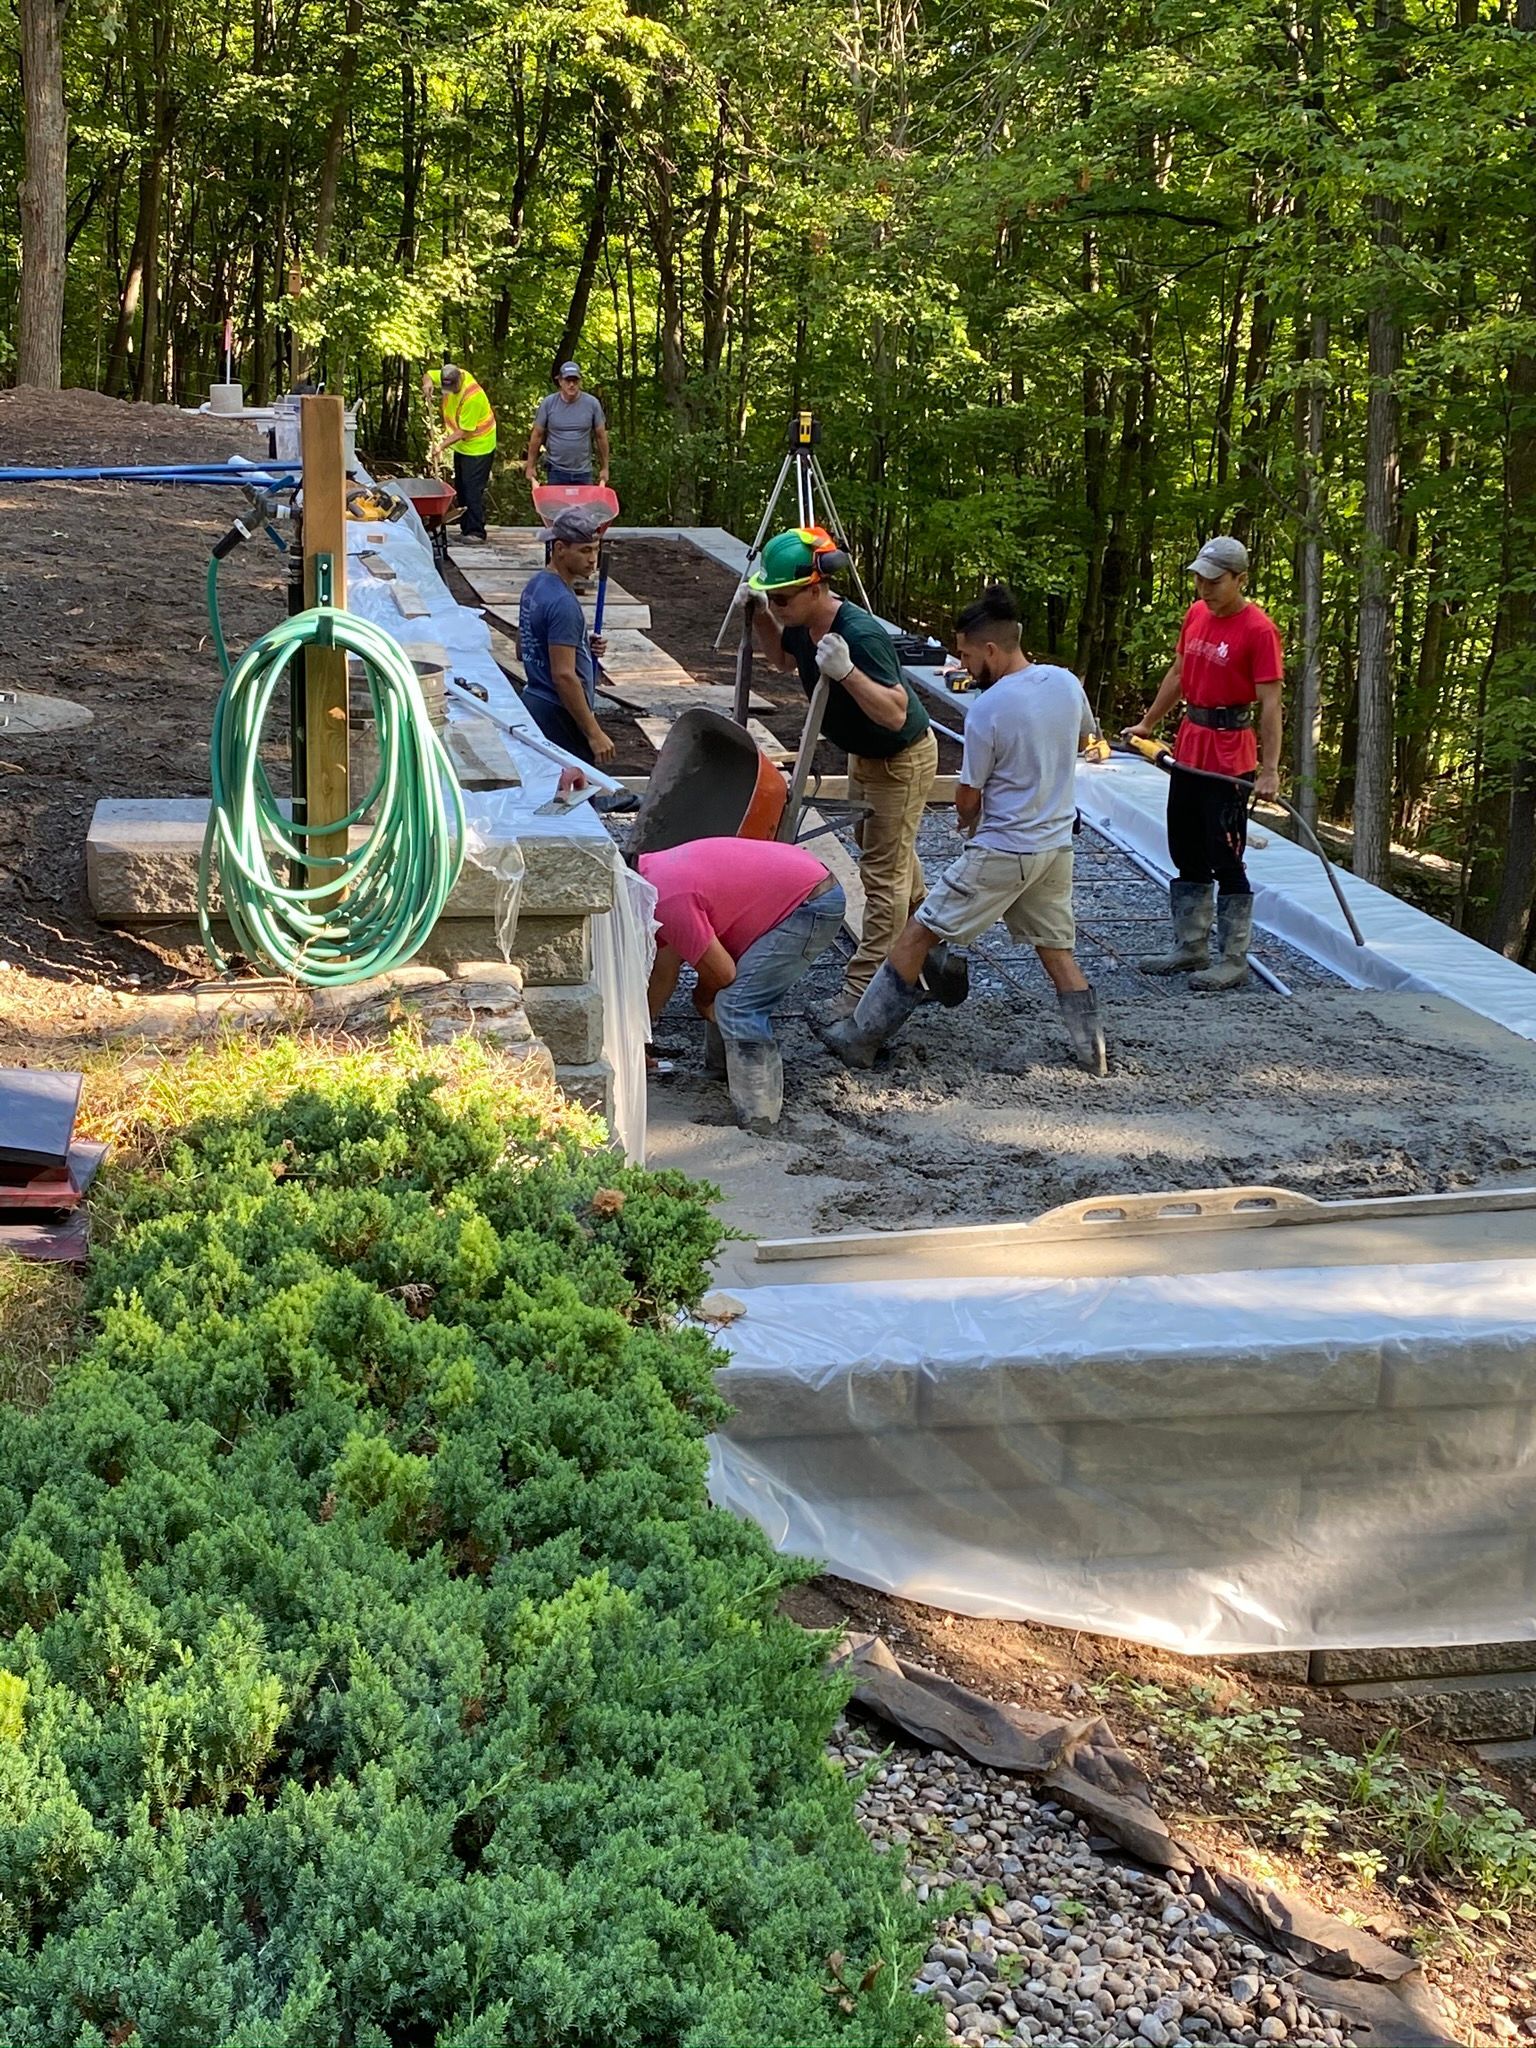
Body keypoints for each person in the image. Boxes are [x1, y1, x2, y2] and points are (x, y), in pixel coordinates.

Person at [826, 585, 1107, 1076]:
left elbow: (968, 795)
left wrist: (965, 820)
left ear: (992, 650)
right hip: (1055, 847)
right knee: (1057, 952)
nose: (961, 665)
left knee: (915, 935)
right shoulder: (1065, 683)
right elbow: (1085, 737)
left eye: (965, 654)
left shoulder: (990, 709)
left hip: (1004, 850)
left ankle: (859, 1038)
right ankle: (1094, 1052)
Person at [745, 526, 948, 1020]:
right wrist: (759, 618)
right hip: (864, 756)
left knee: (882, 878)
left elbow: (896, 712)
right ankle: (932, 939)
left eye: (784, 599)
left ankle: (863, 994)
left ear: (817, 587)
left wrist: (848, 672)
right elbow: (781, 659)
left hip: (899, 759)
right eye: (771, 598)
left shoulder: (860, 634)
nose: (779, 607)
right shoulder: (795, 615)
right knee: (891, 854)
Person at [1124, 535, 1284, 992]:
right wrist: (1148, 723)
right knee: (1186, 845)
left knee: (1225, 853)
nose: (1204, 588)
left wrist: (1269, 769)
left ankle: (1233, 957)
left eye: (1214, 580)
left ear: (1240, 579)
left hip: (1231, 753)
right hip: (1191, 745)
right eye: (1199, 578)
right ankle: (1191, 945)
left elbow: (1271, 704)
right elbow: (1179, 673)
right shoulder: (1196, 615)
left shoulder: (1258, 630)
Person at [639, 836, 846, 1133]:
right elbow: (664, 970)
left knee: (738, 1003)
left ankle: (759, 1118)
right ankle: (720, 1074)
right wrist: (639, 1041)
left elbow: (723, 973)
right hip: (796, 885)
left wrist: (702, 996)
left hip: (810, 903)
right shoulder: (651, 873)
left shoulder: (668, 902)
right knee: (722, 990)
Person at [517, 504, 614, 764]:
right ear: (559, 549)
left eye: (595, 549)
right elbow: (563, 676)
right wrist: (594, 733)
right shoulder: (563, 602)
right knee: (575, 797)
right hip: (559, 713)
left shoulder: (535, 586)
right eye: (584, 551)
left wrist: (580, 643)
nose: (593, 559)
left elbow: (524, 645)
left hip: (534, 702)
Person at [421, 363, 496, 543]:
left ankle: (476, 532)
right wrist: (427, 384)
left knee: (472, 489)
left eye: (452, 388)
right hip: (462, 447)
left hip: (479, 446)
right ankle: (465, 528)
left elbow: (464, 431)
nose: (450, 392)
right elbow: (428, 375)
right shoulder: (448, 374)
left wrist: (440, 446)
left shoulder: (473, 397)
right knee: (461, 487)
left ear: (459, 380)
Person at [525, 363, 610, 487]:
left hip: (583, 471)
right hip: (556, 470)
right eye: (568, 380)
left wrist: (605, 468)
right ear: (560, 381)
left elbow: (601, 436)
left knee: (583, 506)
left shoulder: (592, 404)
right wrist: (530, 466)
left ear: (580, 381)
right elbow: (537, 435)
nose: (571, 384)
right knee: (558, 506)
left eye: (575, 380)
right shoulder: (548, 404)